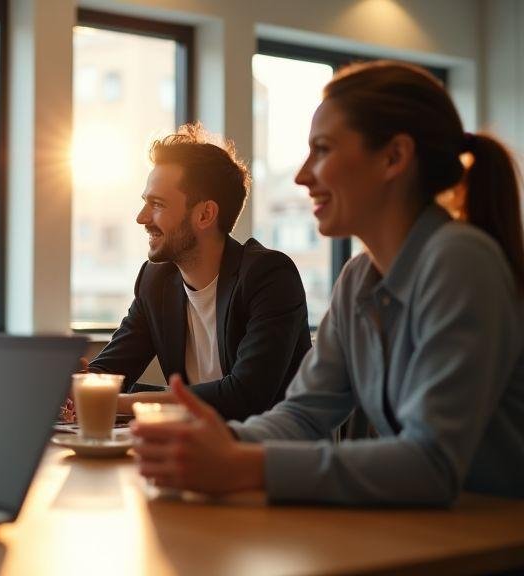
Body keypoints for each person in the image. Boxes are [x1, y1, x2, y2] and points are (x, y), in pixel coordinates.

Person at [132, 61, 524, 505]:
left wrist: (242, 464)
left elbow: (431, 463)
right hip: (422, 529)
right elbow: (301, 415)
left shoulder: (460, 260)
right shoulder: (358, 279)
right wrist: (218, 445)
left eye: (322, 149)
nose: (302, 176)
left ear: (394, 157)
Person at [86, 123, 312, 422]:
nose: (141, 218)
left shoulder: (269, 277)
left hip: (270, 448)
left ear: (205, 214)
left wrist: (120, 402)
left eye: (157, 204)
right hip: (195, 443)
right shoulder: (156, 281)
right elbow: (111, 371)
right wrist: (78, 382)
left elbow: (245, 397)